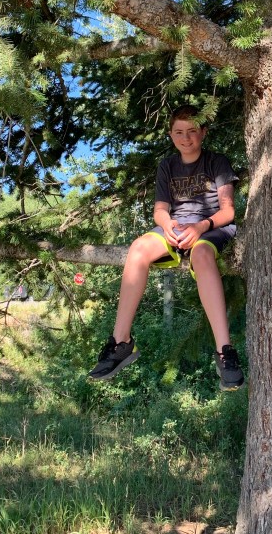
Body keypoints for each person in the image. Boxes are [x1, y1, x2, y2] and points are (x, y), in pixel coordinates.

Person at [87, 106, 244, 390]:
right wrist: (168, 224)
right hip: (176, 227)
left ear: (203, 132)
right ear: (171, 135)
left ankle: (225, 352)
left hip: (210, 227)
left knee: (202, 254)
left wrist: (201, 227)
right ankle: (121, 342)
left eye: (192, 131)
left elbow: (228, 211)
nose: (186, 138)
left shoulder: (217, 162)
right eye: (179, 132)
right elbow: (160, 210)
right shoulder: (167, 166)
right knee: (138, 248)